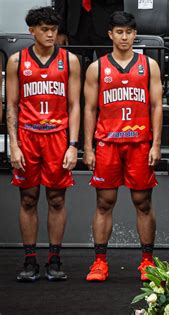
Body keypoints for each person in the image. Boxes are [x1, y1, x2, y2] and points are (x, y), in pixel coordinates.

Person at [83, 11, 163, 282]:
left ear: (135, 34)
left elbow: (156, 107)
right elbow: (89, 109)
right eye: (119, 32)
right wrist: (89, 147)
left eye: (129, 32)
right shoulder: (97, 67)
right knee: (104, 202)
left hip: (139, 143)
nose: (124, 37)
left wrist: (156, 144)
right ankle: (99, 262)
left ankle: (147, 261)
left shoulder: (149, 65)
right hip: (107, 143)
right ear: (110, 34)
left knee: (143, 202)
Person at [6, 6, 81, 282]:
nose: (51, 34)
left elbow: (74, 105)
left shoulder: (69, 61)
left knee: (57, 198)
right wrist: (13, 144)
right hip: (27, 136)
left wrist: (73, 144)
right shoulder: (17, 61)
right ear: (32, 31)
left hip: (58, 137)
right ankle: (29, 261)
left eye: (54, 29)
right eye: (45, 29)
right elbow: (12, 106)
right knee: (27, 198)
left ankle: (54, 259)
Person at [54, 0, 124, 60]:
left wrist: (118, 27)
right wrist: (60, 30)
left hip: (106, 23)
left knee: (109, 69)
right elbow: (60, 3)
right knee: (78, 68)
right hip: (75, 25)